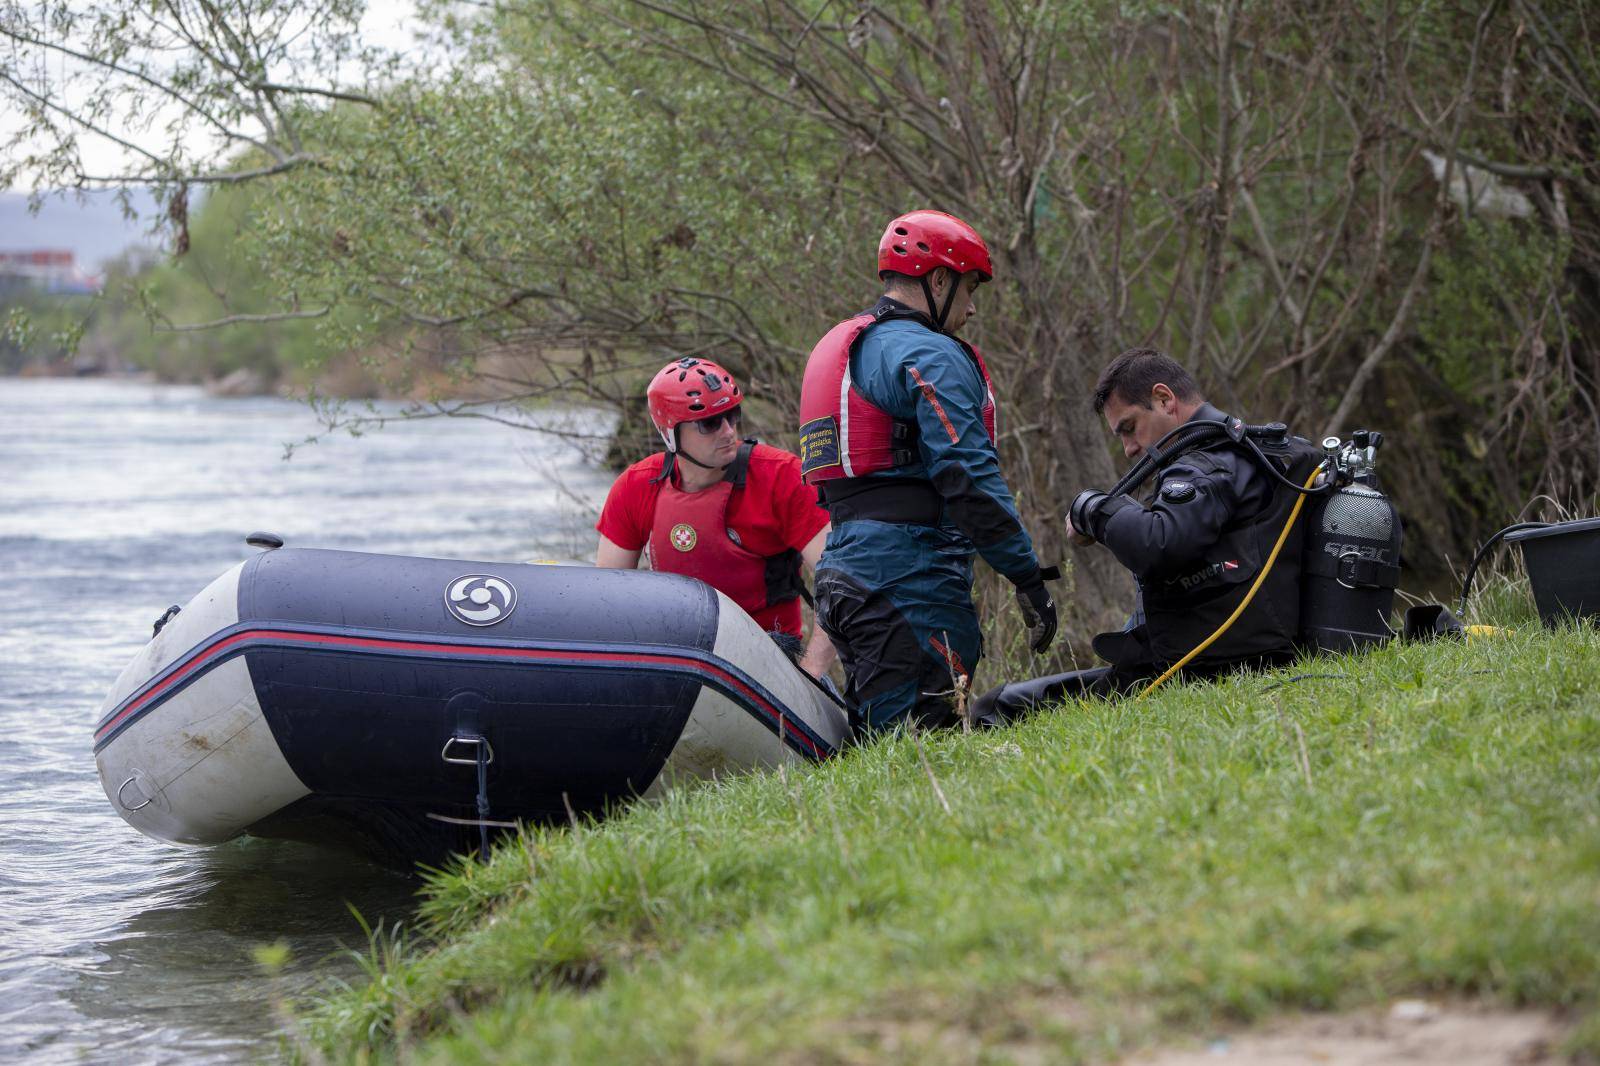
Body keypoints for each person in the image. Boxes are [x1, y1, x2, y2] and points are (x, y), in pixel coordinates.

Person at [796, 210, 1057, 734]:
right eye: (967, 289)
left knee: (885, 740)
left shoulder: (849, 346)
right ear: (938, 280)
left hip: (844, 568)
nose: (972, 307)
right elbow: (968, 477)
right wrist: (1026, 576)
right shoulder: (929, 353)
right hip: (908, 578)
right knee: (921, 742)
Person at [970, 347, 1322, 721]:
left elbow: (1159, 542)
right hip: (1224, 654)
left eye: (1129, 427)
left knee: (996, 708)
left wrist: (1091, 508)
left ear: (1164, 399)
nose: (1129, 449)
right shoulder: (1252, 451)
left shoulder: (1203, 466)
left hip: (1199, 667)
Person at [596, 357, 837, 679]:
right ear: (670, 433)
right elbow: (609, 599)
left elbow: (839, 582)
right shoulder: (636, 485)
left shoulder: (782, 476)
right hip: (677, 655)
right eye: (709, 423)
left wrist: (811, 672)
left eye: (731, 416)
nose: (727, 432)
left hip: (771, 655)